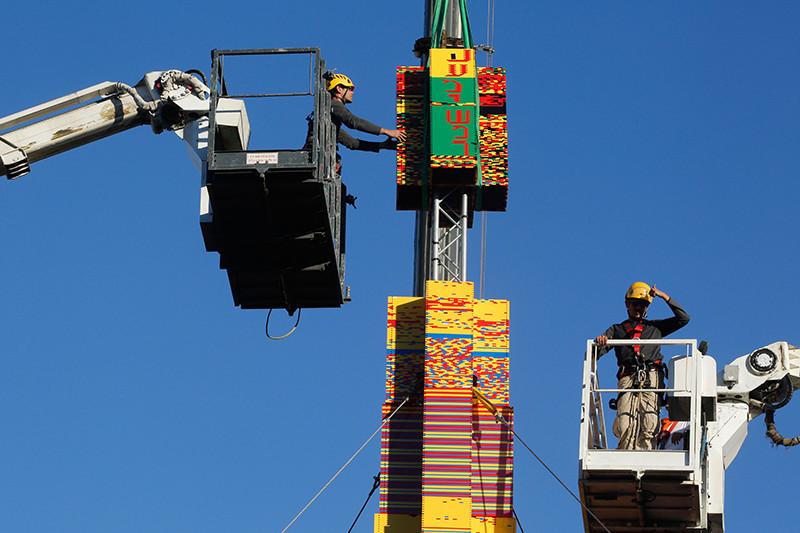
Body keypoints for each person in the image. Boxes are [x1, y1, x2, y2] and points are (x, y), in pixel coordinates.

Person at [595, 282, 690, 450]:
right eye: (635, 304)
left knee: (649, 422)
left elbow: (683, 318)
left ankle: (646, 454)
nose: (639, 308)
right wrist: (599, 344)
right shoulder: (617, 330)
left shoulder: (655, 328)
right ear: (627, 305)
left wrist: (663, 296)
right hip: (628, 378)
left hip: (651, 377)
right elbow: (594, 355)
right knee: (625, 422)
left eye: (643, 304)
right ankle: (625, 454)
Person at [304, 72, 405, 158]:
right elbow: (353, 122)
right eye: (350, 89)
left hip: (319, 155)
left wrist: (382, 145)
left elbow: (351, 143)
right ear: (339, 89)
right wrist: (387, 131)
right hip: (316, 154)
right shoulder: (333, 105)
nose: (353, 92)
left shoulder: (329, 122)